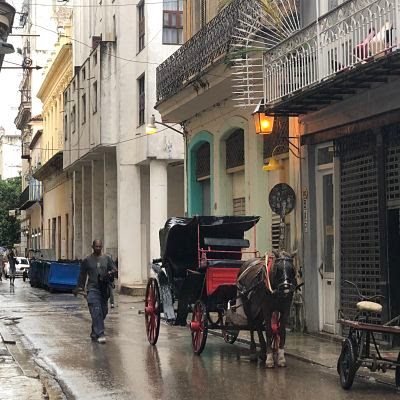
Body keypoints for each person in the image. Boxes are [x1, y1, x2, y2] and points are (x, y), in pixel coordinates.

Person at [73, 239, 116, 344]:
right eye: (96, 247)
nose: (98, 248)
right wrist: (79, 287)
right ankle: (101, 333)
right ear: (92, 247)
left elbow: (114, 269)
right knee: (96, 310)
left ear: (102, 247)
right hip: (92, 289)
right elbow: (82, 275)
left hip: (104, 289)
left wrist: (111, 273)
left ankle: (94, 332)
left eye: (100, 247)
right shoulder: (87, 260)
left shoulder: (107, 259)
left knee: (103, 312)